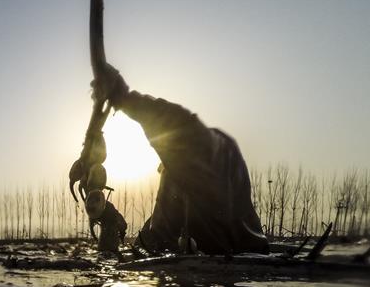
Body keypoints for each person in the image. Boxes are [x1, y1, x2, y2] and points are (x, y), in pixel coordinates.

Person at [91, 63, 269, 255]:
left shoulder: (220, 155)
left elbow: (185, 131)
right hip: (181, 260)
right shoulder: (167, 209)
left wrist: (125, 98)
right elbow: (147, 244)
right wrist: (107, 216)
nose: (166, 169)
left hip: (235, 256)